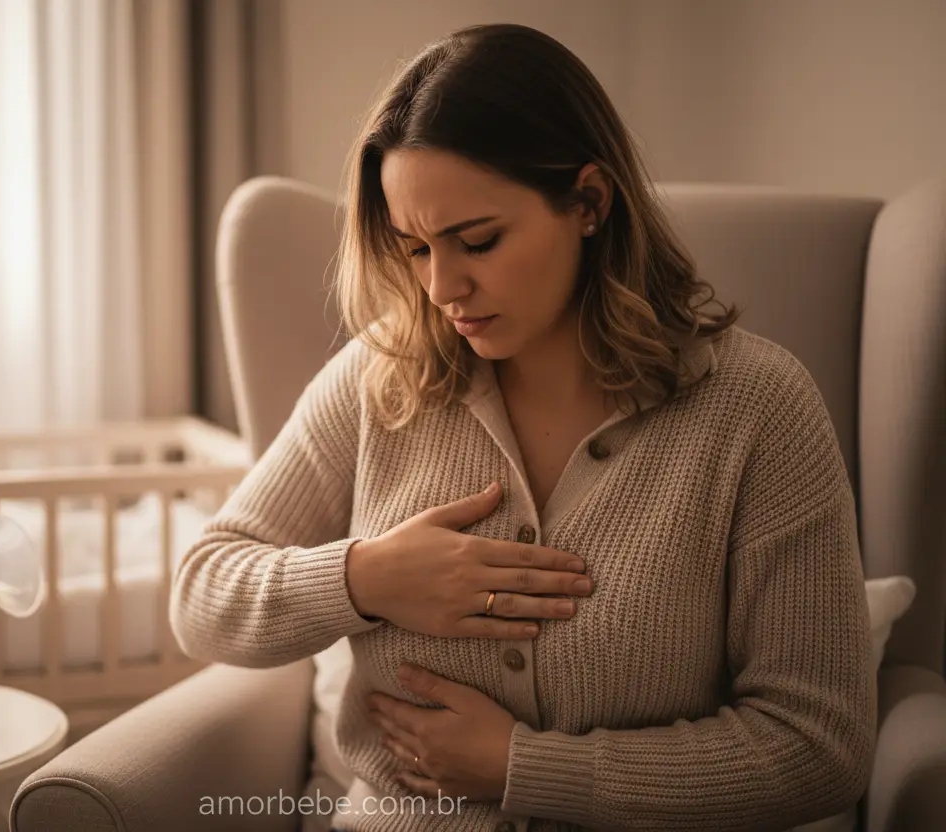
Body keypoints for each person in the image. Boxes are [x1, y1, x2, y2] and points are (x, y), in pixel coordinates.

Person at [169, 22, 875, 832]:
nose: (441, 286)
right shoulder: (382, 378)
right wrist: (366, 580)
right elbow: (201, 595)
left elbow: (821, 745)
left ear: (588, 202)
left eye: (477, 241)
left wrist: (526, 769)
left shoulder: (756, 408)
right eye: (414, 248)